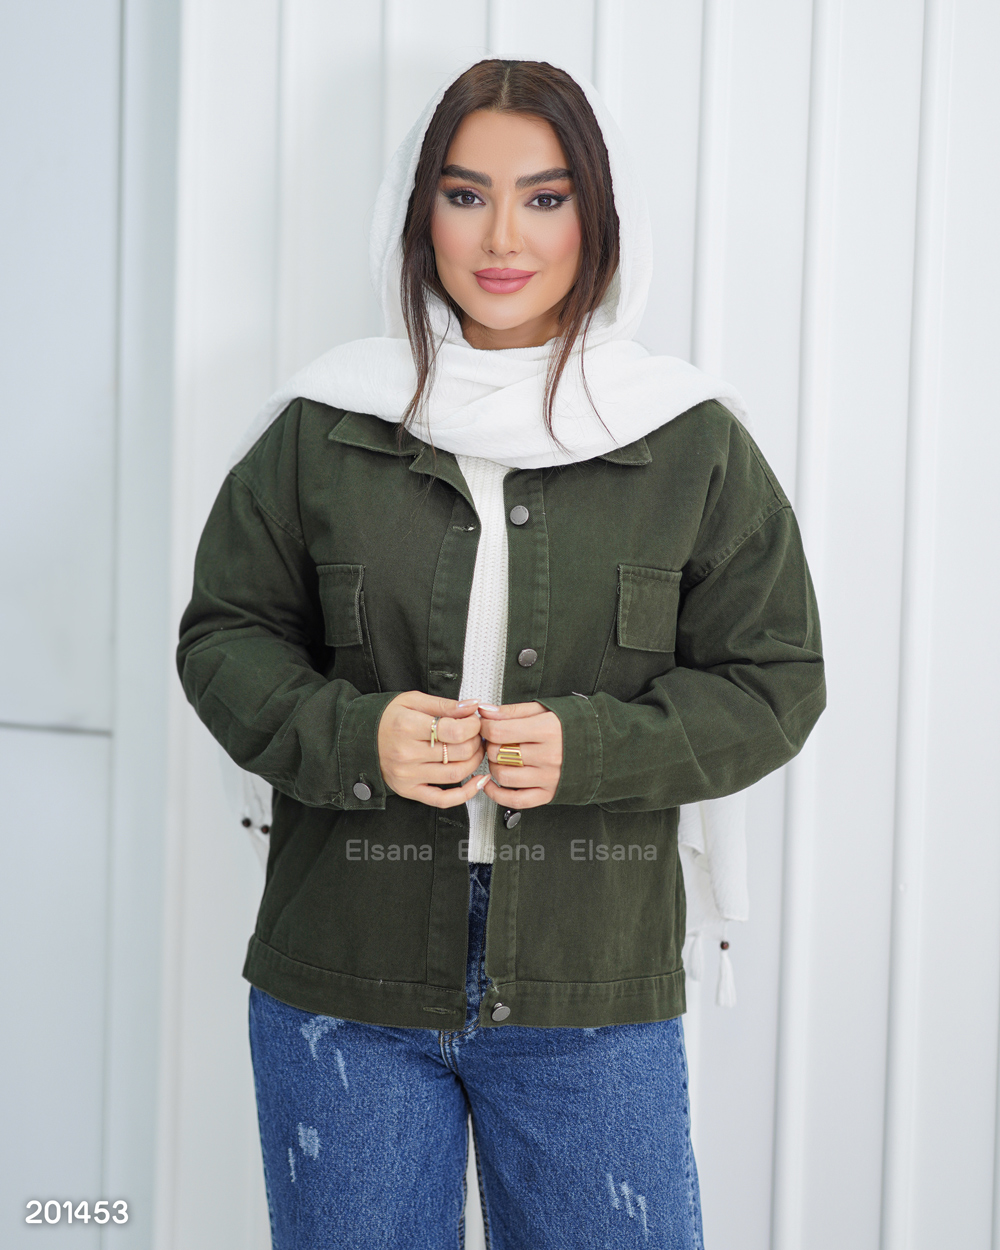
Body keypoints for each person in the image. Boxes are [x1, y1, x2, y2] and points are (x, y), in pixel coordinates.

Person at [177, 58, 825, 1250]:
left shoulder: (688, 441)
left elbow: (775, 680)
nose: (503, 238)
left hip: (592, 987)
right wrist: (358, 733)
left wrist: (594, 746)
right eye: (466, 194)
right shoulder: (322, 426)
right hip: (344, 982)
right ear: (417, 209)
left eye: (546, 196)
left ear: (600, 214)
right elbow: (225, 637)